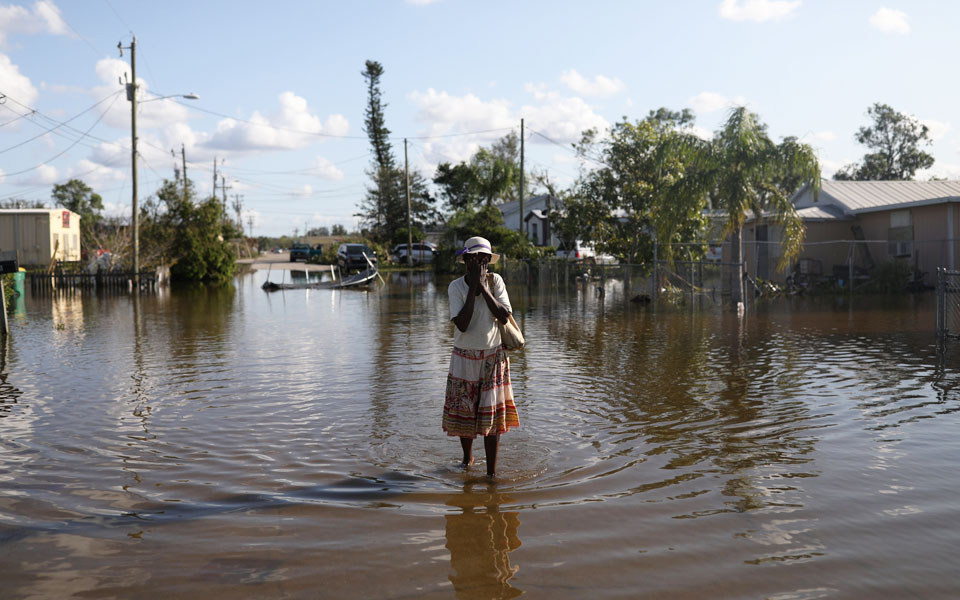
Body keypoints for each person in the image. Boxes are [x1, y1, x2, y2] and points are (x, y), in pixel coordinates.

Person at [442, 236, 519, 478]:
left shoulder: (496, 283)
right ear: (465, 261)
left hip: (493, 356)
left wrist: (483, 287)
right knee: (465, 413)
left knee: (492, 418)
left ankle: (491, 475)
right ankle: (467, 459)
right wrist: (473, 288)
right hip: (464, 358)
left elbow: (504, 316)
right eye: (473, 260)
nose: (478, 264)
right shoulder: (456, 287)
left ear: (487, 261)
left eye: (483, 260)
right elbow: (462, 324)